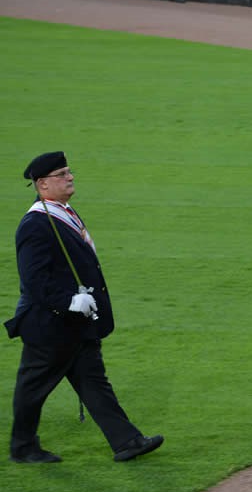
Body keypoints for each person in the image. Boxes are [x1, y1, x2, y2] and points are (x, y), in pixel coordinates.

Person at [5, 151, 164, 463]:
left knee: (93, 381)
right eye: (62, 174)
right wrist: (69, 301)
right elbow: (34, 280)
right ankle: (22, 448)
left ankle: (127, 441)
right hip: (49, 325)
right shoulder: (35, 225)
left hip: (76, 322)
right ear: (42, 184)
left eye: (68, 171)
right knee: (33, 388)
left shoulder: (64, 212)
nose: (70, 177)